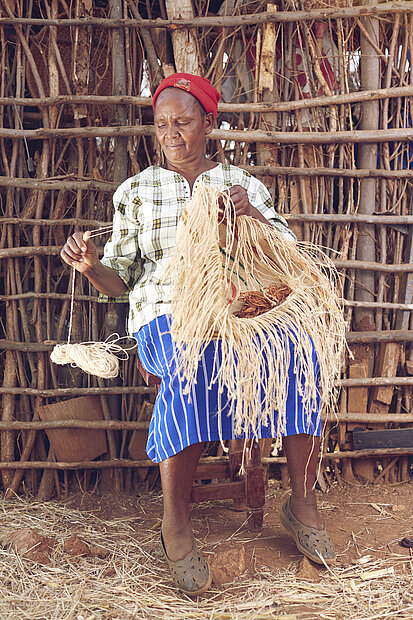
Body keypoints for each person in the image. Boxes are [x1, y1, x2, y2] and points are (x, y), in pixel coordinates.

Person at [60, 72, 336, 597]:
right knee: (187, 367)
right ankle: (175, 523)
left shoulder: (241, 185)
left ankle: (301, 503)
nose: (170, 133)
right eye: (161, 124)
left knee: (300, 354)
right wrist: (92, 266)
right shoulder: (135, 191)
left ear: (209, 123)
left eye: (182, 122)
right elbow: (121, 283)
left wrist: (251, 217)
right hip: (166, 312)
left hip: (237, 306)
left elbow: (284, 253)